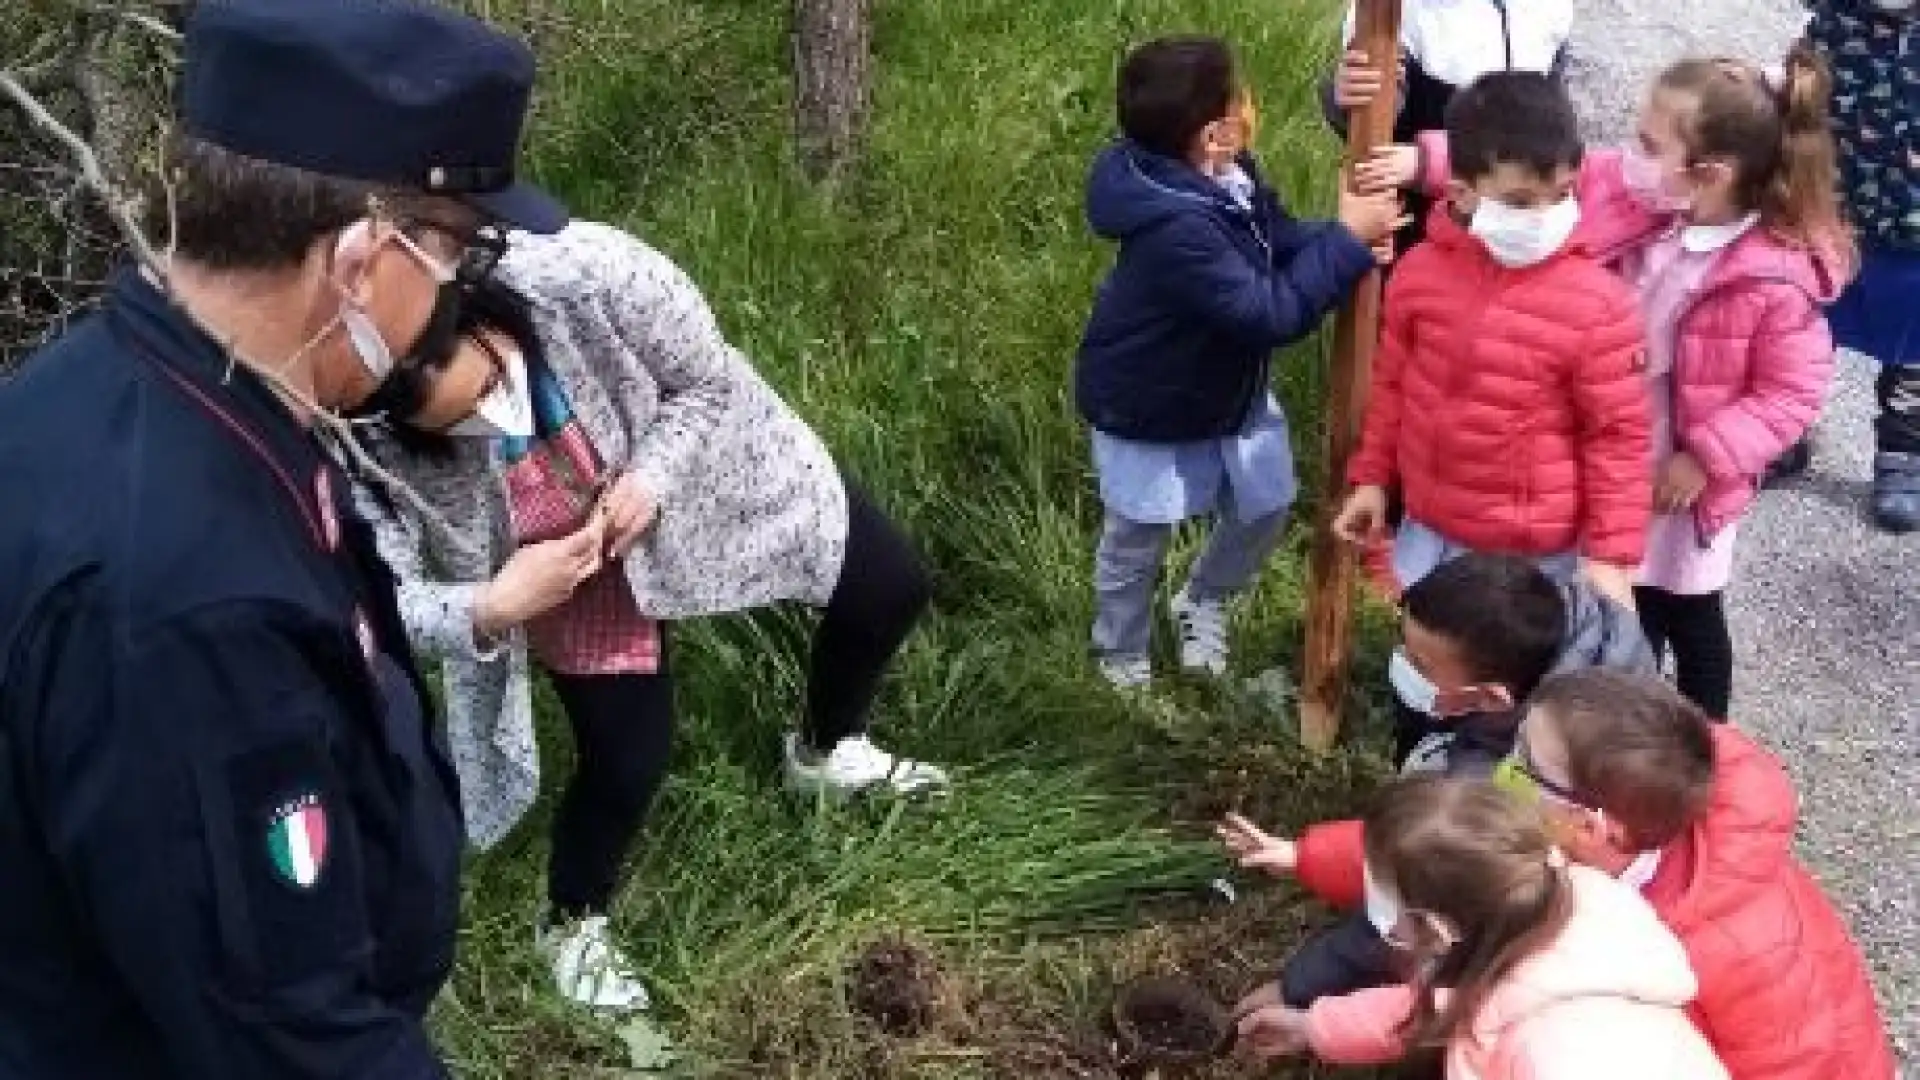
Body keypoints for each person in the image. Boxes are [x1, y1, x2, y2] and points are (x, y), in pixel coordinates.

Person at [0, 1, 562, 1076]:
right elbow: (285, 1033)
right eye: (451, 250)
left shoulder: (125, 394)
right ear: (359, 260)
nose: (453, 292)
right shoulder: (185, 600)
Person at [350, 223, 950, 1008]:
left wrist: (654, 479)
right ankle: (571, 922)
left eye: (497, 386)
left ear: (484, 307)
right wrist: (494, 605)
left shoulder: (586, 272)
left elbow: (706, 381)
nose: (496, 422)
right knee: (628, 757)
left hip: (703, 467)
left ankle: (825, 750)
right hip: (559, 571)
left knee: (887, 586)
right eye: (460, 425)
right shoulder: (357, 445)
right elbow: (383, 605)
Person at [1389, 48, 1848, 718]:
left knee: (1682, 609)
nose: (1626, 155)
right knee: (1610, 594)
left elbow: (1792, 392)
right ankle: (1613, 719)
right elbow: (1523, 167)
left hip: (1682, 474)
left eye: (1647, 144)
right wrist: (1424, 160)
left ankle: (1695, 737)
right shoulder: (1641, 196)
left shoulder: (1773, 275)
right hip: (1611, 442)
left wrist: (1708, 456)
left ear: (1708, 174)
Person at [1075, 35, 1400, 689]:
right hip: (1147, 403)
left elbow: (1273, 238)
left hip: (1225, 391)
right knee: (1138, 536)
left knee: (1265, 505)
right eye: (1240, 97)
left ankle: (1202, 600)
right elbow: (1269, 314)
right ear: (1215, 134)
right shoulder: (1177, 229)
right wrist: (1342, 243)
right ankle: (1120, 652)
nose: (1251, 104)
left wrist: (1342, 241)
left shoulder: (1227, 172)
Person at [1218, 553, 1654, 1011]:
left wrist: (1298, 987)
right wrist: (1305, 857)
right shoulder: (1569, 641)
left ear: (1491, 698)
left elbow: (1420, 886)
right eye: (1403, 645)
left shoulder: (1529, 788)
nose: (1403, 665)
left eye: (1421, 664)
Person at [1332, 71, 1651, 605]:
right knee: (1424, 665)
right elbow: (1392, 387)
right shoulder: (1419, 274)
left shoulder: (1600, 305)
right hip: (1429, 530)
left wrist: (1611, 557)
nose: (1547, 217)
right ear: (1462, 192)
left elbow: (1617, 438)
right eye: (1521, 201)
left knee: (1504, 680)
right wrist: (1372, 481)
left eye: (1564, 195)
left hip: (1527, 557)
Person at [1498, 670, 1897, 1079]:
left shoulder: (1732, 947)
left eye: (1523, 769)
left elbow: (1796, 1063)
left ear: (1589, 828)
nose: (1503, 768)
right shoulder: (1657, 811)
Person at [1234, 777, 1727, 1080]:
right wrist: (1313, 1027)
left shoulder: (1560, 1053)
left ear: (1432, 930)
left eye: (1377, 896)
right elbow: (1435, 1004)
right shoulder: (1536, 902)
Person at [1323, 0, 1573, 256]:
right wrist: (1350, 96)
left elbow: (1551, 130)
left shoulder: (1547, 10)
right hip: (1419, 222)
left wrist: (1428, 163)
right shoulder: (1401, 11)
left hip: (1520, 218)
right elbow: (1375, 117)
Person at [1808, 0, 1920, 532]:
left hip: (1916, 233)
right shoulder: (1836, 17)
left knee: (1916, 349)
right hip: (1831, 215)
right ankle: (1785, 427)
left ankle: (1903, 453)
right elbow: (1796, 97)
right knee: (1802, 329)